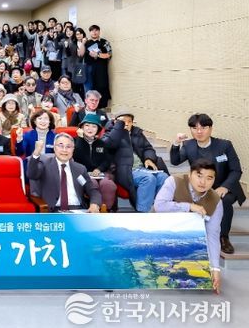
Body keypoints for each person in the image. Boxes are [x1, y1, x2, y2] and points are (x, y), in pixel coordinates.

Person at [170, 113, 245, 254]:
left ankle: (223, 237)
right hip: (201, 186)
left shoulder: (224, 145)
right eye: (195, 128)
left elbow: (236, 170)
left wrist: (225, 187)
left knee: (224, 201)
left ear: (210, 129)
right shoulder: (188, 145)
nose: (199, 132)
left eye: (203, 128)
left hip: (224, 185)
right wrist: (175, 144)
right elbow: (175, 161)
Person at [154, 159, 223, 293]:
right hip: (161, 232)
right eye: (199, 175)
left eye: (209, 178)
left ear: (214, 180)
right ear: (190, 174)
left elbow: (213, 235)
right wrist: (189, 207)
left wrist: (215, 268)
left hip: (186, 239)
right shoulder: (174, 181)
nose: (203, 182)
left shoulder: (216, 201)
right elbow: (159, 205)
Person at [101, 109, 168, 212]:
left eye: (129, 121)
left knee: (163, 177)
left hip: (142, 168)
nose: (126, 123)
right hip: (124, 170)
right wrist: (118, 128)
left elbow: (148, 148)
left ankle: (158, 207)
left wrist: (148, 158)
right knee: (148, 179)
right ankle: (142, 212)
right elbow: (108, 145)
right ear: (115, 122)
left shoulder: (137, 133)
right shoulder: (110, 134)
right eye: (123, 121)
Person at [27, 133, 101, 213]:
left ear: (73, 149)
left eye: (68, 147)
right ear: (54, 148)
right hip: (53, 211)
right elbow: (32, 174)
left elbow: (92, 189)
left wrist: (94, 204)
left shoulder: (80, 169)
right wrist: (36, 153)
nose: (64, 150)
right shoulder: (44, 164)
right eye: (60, 146)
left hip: (78, 210)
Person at [73, 114, 117, 211]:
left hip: (100, 173)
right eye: (87, 125)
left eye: (94, 126)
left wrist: (99, 169)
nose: (90, 129)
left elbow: (107, 161)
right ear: (82, 128)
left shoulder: (101, 143)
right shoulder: (75, 141)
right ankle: (93, 209)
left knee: (108, 184)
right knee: (92, 184)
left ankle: (105, 210)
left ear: (97, 129)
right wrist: (80, 139)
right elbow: (75, 157)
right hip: (81, 174)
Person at [84, 24, 112, 108]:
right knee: (90, 88)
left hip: (101, 68)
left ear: (99, 31)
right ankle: (90, 107)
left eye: (96, 30)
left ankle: (102, 108)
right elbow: (81, 55)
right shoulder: (87, 43)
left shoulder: (105, 42)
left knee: (102, 86)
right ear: (90, 32)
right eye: (92, 30)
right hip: (89, 69)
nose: (94, 32)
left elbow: (109, 54)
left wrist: (98, 54)